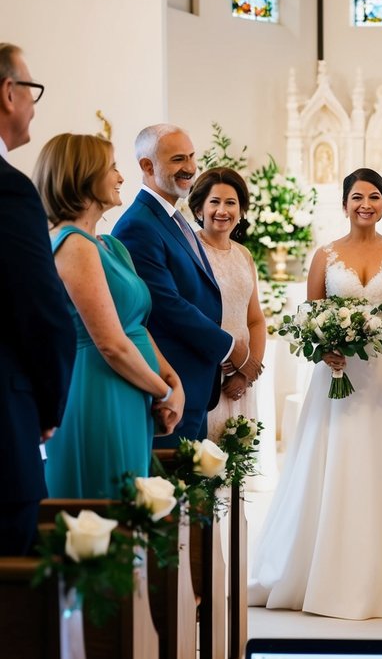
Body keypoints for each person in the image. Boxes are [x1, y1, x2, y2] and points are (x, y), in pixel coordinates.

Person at [249, 167, 382, 619]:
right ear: (344, 203)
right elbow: (310, 315)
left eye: (375, 196)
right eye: (357, 197)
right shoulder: (325, 255)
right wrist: (325, 350)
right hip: (337, 372)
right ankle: (325, 569)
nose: (366, 204)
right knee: (333, 460)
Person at [34, 134, 184, 498]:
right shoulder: (73, 245)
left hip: (132, 389)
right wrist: (162, 391)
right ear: (84, 177)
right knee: (108, 505)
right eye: (113, 168)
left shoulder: (110, 245)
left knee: (132, 509)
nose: (120, 177)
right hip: (99, 391)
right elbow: (111, 344)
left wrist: (172, 380)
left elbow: (135, 326)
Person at [114, 125, 245, 444]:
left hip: (194, 385)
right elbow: (164, 304)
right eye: (177, 159)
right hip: (171, 388)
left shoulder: (172, 217)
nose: (190, 167)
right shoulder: (138, 226)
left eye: (191, 156)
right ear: (147, 166)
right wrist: (227, 346)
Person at [0, 43, 75, 554]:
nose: (33, 103)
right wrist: (50, 405)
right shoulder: (9, 190)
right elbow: (43, 312)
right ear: (9, 93)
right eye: (32, 91)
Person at [188, 167, 265, 442]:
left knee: (235, 469)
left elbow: (255, 319)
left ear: (241, 210)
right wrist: (227, 361)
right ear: (198, 209)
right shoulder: (190, 250)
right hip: (207, 372)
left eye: (231, 203)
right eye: (215, 202)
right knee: (205, 465)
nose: (223, 210)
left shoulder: (244, 254)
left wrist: (247, 373)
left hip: (240, 378)